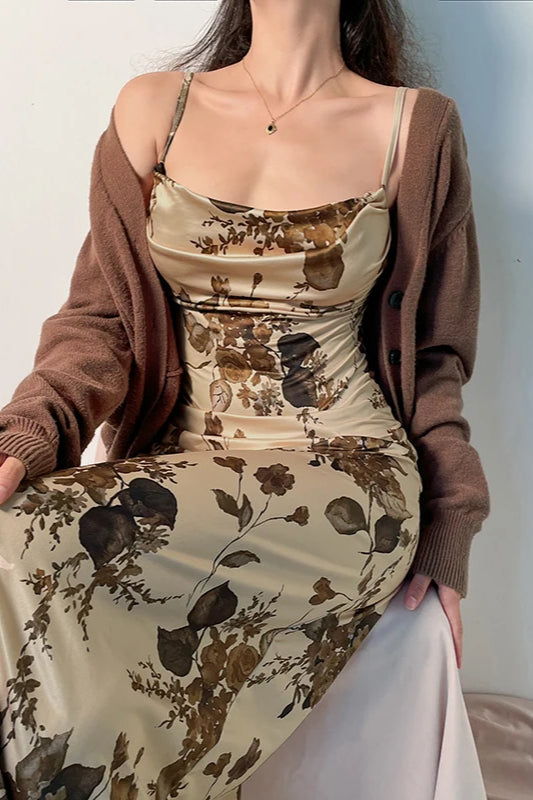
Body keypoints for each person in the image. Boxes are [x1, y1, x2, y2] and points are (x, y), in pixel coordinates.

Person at [0, 1, 490, 797]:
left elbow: (434, 358)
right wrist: (29, 432)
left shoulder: (416, 127)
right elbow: (99, 321)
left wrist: (450, 528)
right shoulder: (153, 110)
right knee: (13, 536)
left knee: (36, 541)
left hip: (348, 476)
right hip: (182, 467)